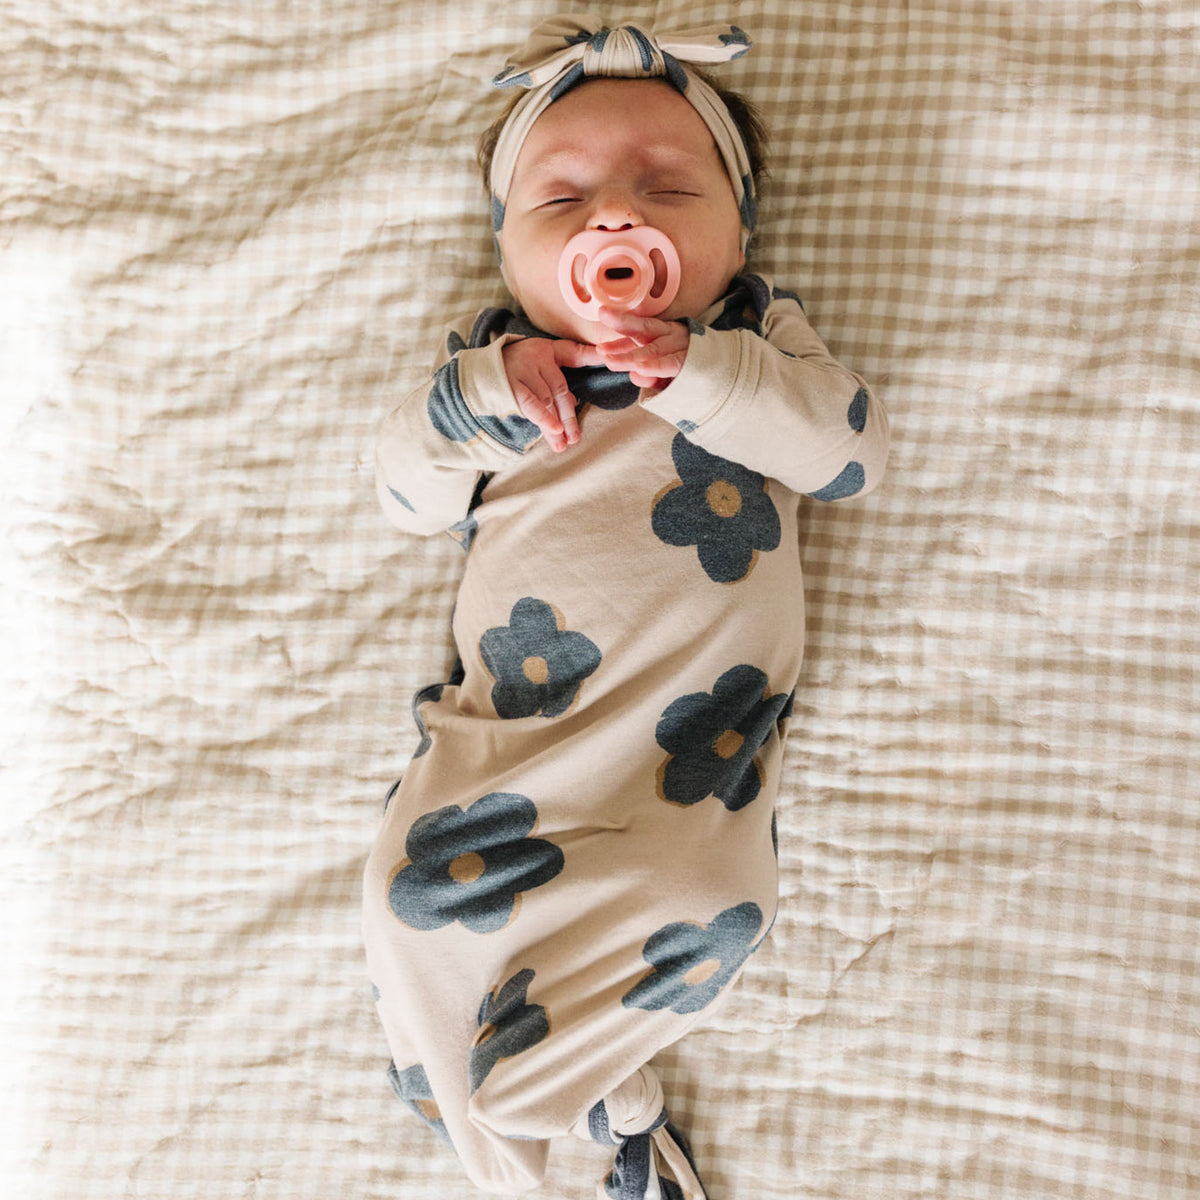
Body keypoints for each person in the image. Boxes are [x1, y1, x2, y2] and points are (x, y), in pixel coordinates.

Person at [362, 18, 890, 1199]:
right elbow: (401, 495)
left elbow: (849, 462)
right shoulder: (493, 363)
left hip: (683, 768)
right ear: (508, 252)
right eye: (563, 198)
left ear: (737, 233)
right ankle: (590, 1115)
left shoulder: (755, 346)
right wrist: (478, 398)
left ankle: (544, 1116)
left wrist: (702, 374)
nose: (614, 217)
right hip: (503, 746)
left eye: (664, 187)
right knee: (404, 906)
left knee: (720, 910)